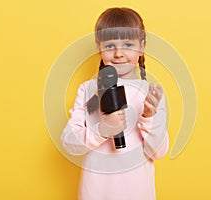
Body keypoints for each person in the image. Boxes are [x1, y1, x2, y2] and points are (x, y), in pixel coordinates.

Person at [61, 7, 169, 200]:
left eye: (128, 44)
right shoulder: (88, 89)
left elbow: (158, 152)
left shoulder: (150, 94)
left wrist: (148, 117)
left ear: (141, 46)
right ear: (99, 46)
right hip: (95, 193)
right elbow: (69, 142)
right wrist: (102, 129)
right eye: (110, 46)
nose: (119, 53)